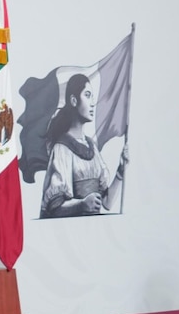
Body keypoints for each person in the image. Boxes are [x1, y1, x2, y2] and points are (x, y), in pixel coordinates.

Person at [39, 74, 128, 218]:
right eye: (87, 95)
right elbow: (54, 208)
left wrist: (120, 171)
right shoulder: (62, 148)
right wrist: (82, 204)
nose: (93, 103)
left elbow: (107, 202)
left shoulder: (91, 146)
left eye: (92, 97)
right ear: (74, 100)